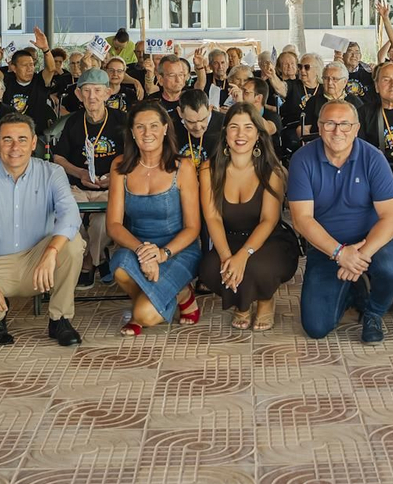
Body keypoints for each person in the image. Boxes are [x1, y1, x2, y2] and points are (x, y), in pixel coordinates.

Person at [0, 112, 85, 347]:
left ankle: (60, 319)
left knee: (73, 243)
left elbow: (70, 215)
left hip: (38, 260)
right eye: (7, 139)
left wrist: (51, 252)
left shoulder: (52, 173)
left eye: (22, 139)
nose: (15, 147)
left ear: (34, 143)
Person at [287, 100, 393, 344]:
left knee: (392, 270)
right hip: (326, 246)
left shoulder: (373, 158)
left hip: (371, 241)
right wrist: (340, 254)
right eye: (329, 124)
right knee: (316, 327)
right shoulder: (302, 159)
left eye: (344, 124)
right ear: (319, 127)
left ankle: (374, 312)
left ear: (356, 128)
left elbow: (392, 218)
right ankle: (354, 292)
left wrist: (358, 256)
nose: (337, 131)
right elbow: (302, 220)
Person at [196, 104, 300, 330]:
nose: (240, 134)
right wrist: (226, 257)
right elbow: (212, 218)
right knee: (211, 268)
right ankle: (241, 304)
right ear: (225, 133)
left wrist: (243, 255)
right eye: (234, 127)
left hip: (269, 239)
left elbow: (269, 220)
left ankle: (265, 300)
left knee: (256, 266)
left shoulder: (272, 170)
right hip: (230, 237)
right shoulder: (208, 170)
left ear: (258, 135)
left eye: (248, 127)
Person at [107, 101, 204, 334]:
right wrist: (143, 252)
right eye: (140, 127)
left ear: (165, 129)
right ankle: (175, 294)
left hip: (178, 249)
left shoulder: (183, 167)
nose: (147, 133)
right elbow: (113, 224)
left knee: (143, 316)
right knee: (119, 267)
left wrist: (162, 254)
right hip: (138, 248)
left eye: (153, 126)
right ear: (132, 132)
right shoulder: (120, 166)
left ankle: (177, 294)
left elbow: (193, 227)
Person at [52, 68, 128, 284]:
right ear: (78, 95)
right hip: (79, 186)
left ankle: (89, 261)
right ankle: (98, 258)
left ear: (108, 93)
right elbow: (58, 158)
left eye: (97, 90)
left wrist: (114, 177)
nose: (92, 96)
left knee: (103, 223)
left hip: (111, 187)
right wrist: (80, 173)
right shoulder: (74, 122)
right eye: (86, 91)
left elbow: (132, 155)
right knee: (67, 216)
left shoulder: (121, 120)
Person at [0, 45, 55, 138]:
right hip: (10, 133)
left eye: (31, 64)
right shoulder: (7, 80)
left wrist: (46, 49)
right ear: (14, 68)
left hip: (37, 135)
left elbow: (51, 69)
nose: (29, 68)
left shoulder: (39, 80)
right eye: (25, 65)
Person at [281, 53, 323, 151]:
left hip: (318, 127)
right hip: (294, 125)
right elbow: (281, 88)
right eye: (300, 66)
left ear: (317, 70)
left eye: (306, 67)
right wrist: (272, 76)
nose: (302, 70)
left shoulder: (324, 88)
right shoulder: (294, 84)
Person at [176, 88, 226, 168]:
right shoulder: (172, 126)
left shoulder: (225, 123)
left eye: (203, 119)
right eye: (191, 122)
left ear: (210, 109)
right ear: (179, 112)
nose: (198, 127)